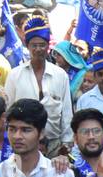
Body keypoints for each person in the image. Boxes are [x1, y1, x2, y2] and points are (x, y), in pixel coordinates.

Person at [5, 18, 75, 154]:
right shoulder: (15, 75)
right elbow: (9, 111)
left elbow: (66, 112)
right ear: (27, 46)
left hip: (54, 145)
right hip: (24, 143)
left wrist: (67, 143)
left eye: (42, 45)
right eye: (34, 45)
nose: (38, 49)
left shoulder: (60, 75)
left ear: (48, 46)